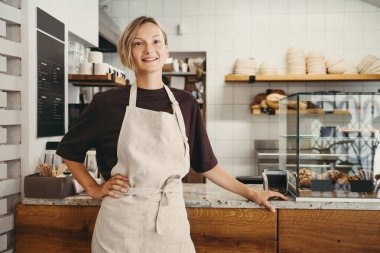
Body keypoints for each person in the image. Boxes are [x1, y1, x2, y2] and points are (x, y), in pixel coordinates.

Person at [57, 16, 287, 253]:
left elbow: (206, 164)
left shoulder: (185, 103)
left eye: (156, 42)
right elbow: (69, 151)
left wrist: (252, 193)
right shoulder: (106, 103)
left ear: (166, 49)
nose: (149, 49)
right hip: (120, 226)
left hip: (171, 225)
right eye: (138, 43)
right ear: (128, 51)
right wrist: (94, 188)